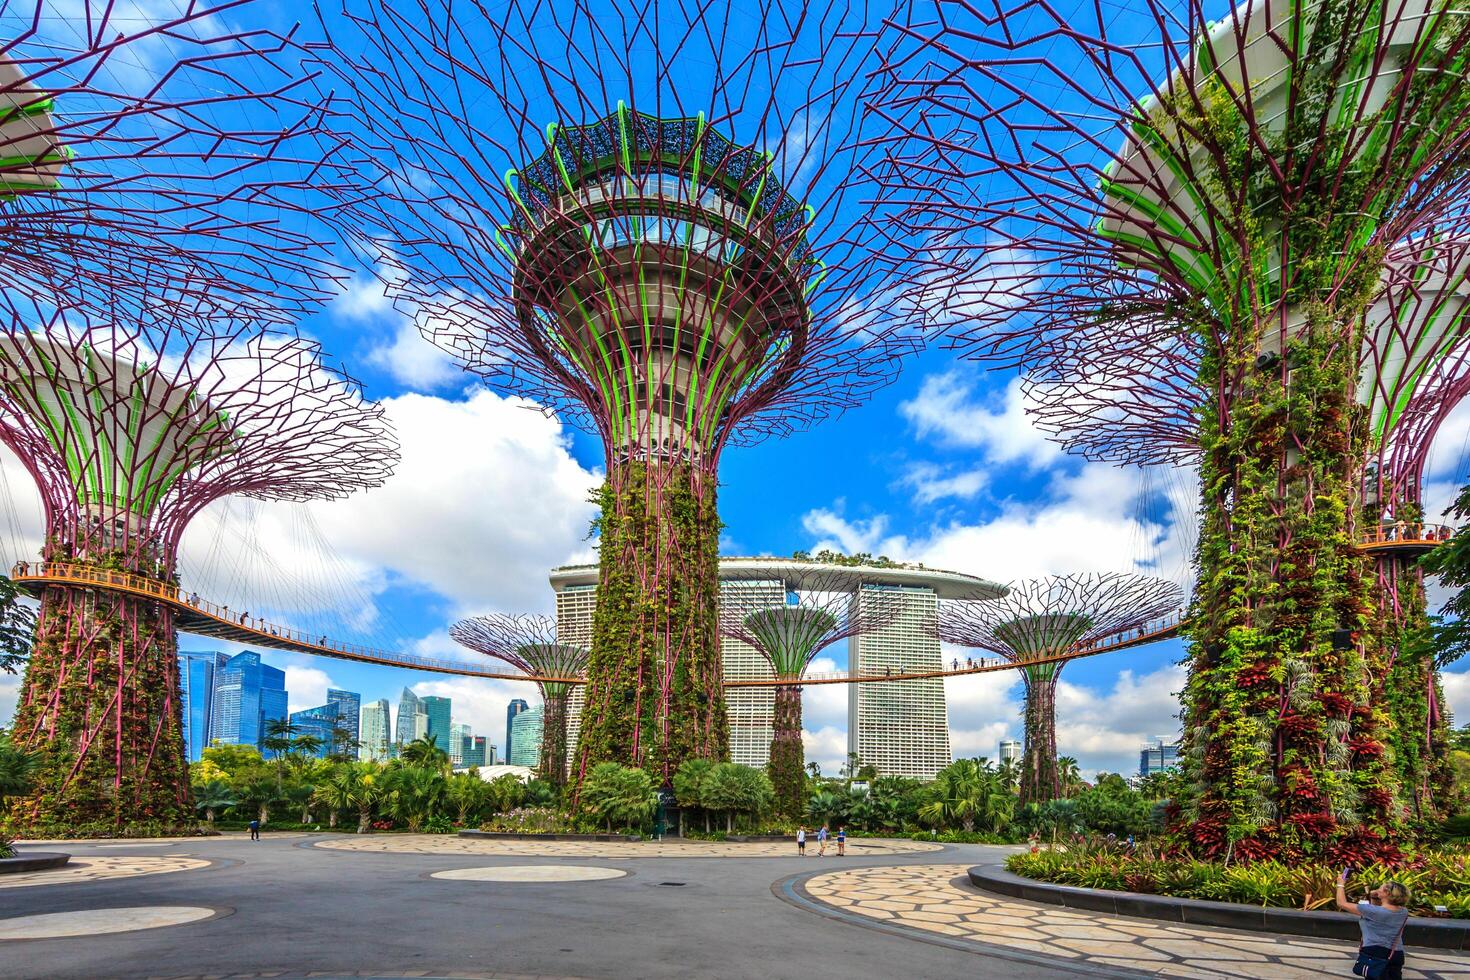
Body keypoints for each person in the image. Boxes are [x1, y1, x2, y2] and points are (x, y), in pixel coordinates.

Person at [1336, 870, 1409, 980]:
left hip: (1375, 952)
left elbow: (1341, 903)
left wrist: (1340, 884)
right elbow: (1377, 911)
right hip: (1396, 953)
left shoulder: (1373, 911)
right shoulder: (1403, 911)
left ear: (1387, 893)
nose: (1378, 888)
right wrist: (1375, 897)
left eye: (1381, 887)